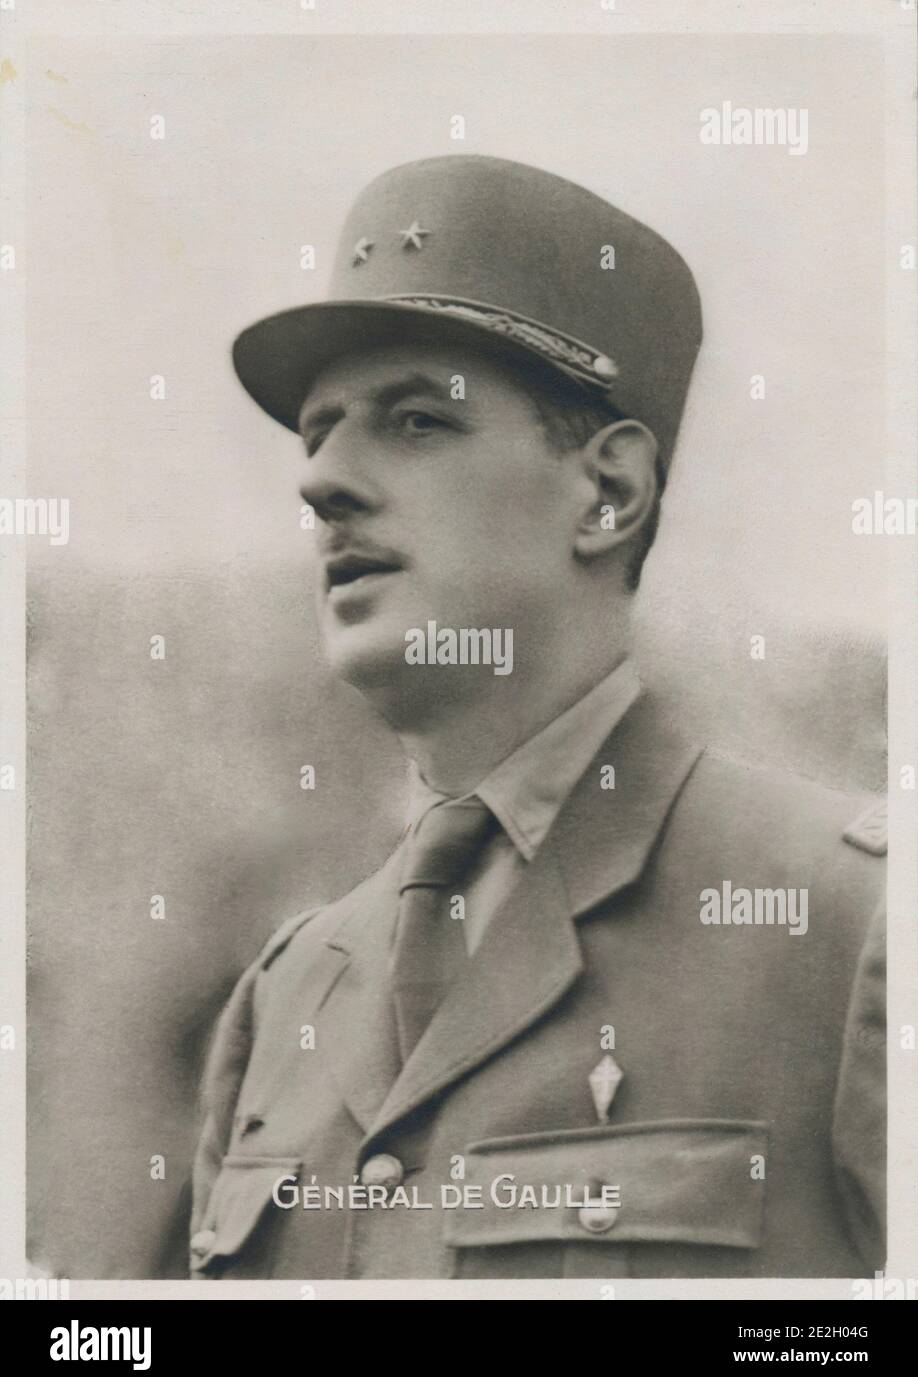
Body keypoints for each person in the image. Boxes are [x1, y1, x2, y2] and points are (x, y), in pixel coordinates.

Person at [189, 155, 885, 1280]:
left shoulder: (853, 924)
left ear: (608, 493)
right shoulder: (284, 1000)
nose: (323, 482)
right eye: (318, 433)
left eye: (415, 421)